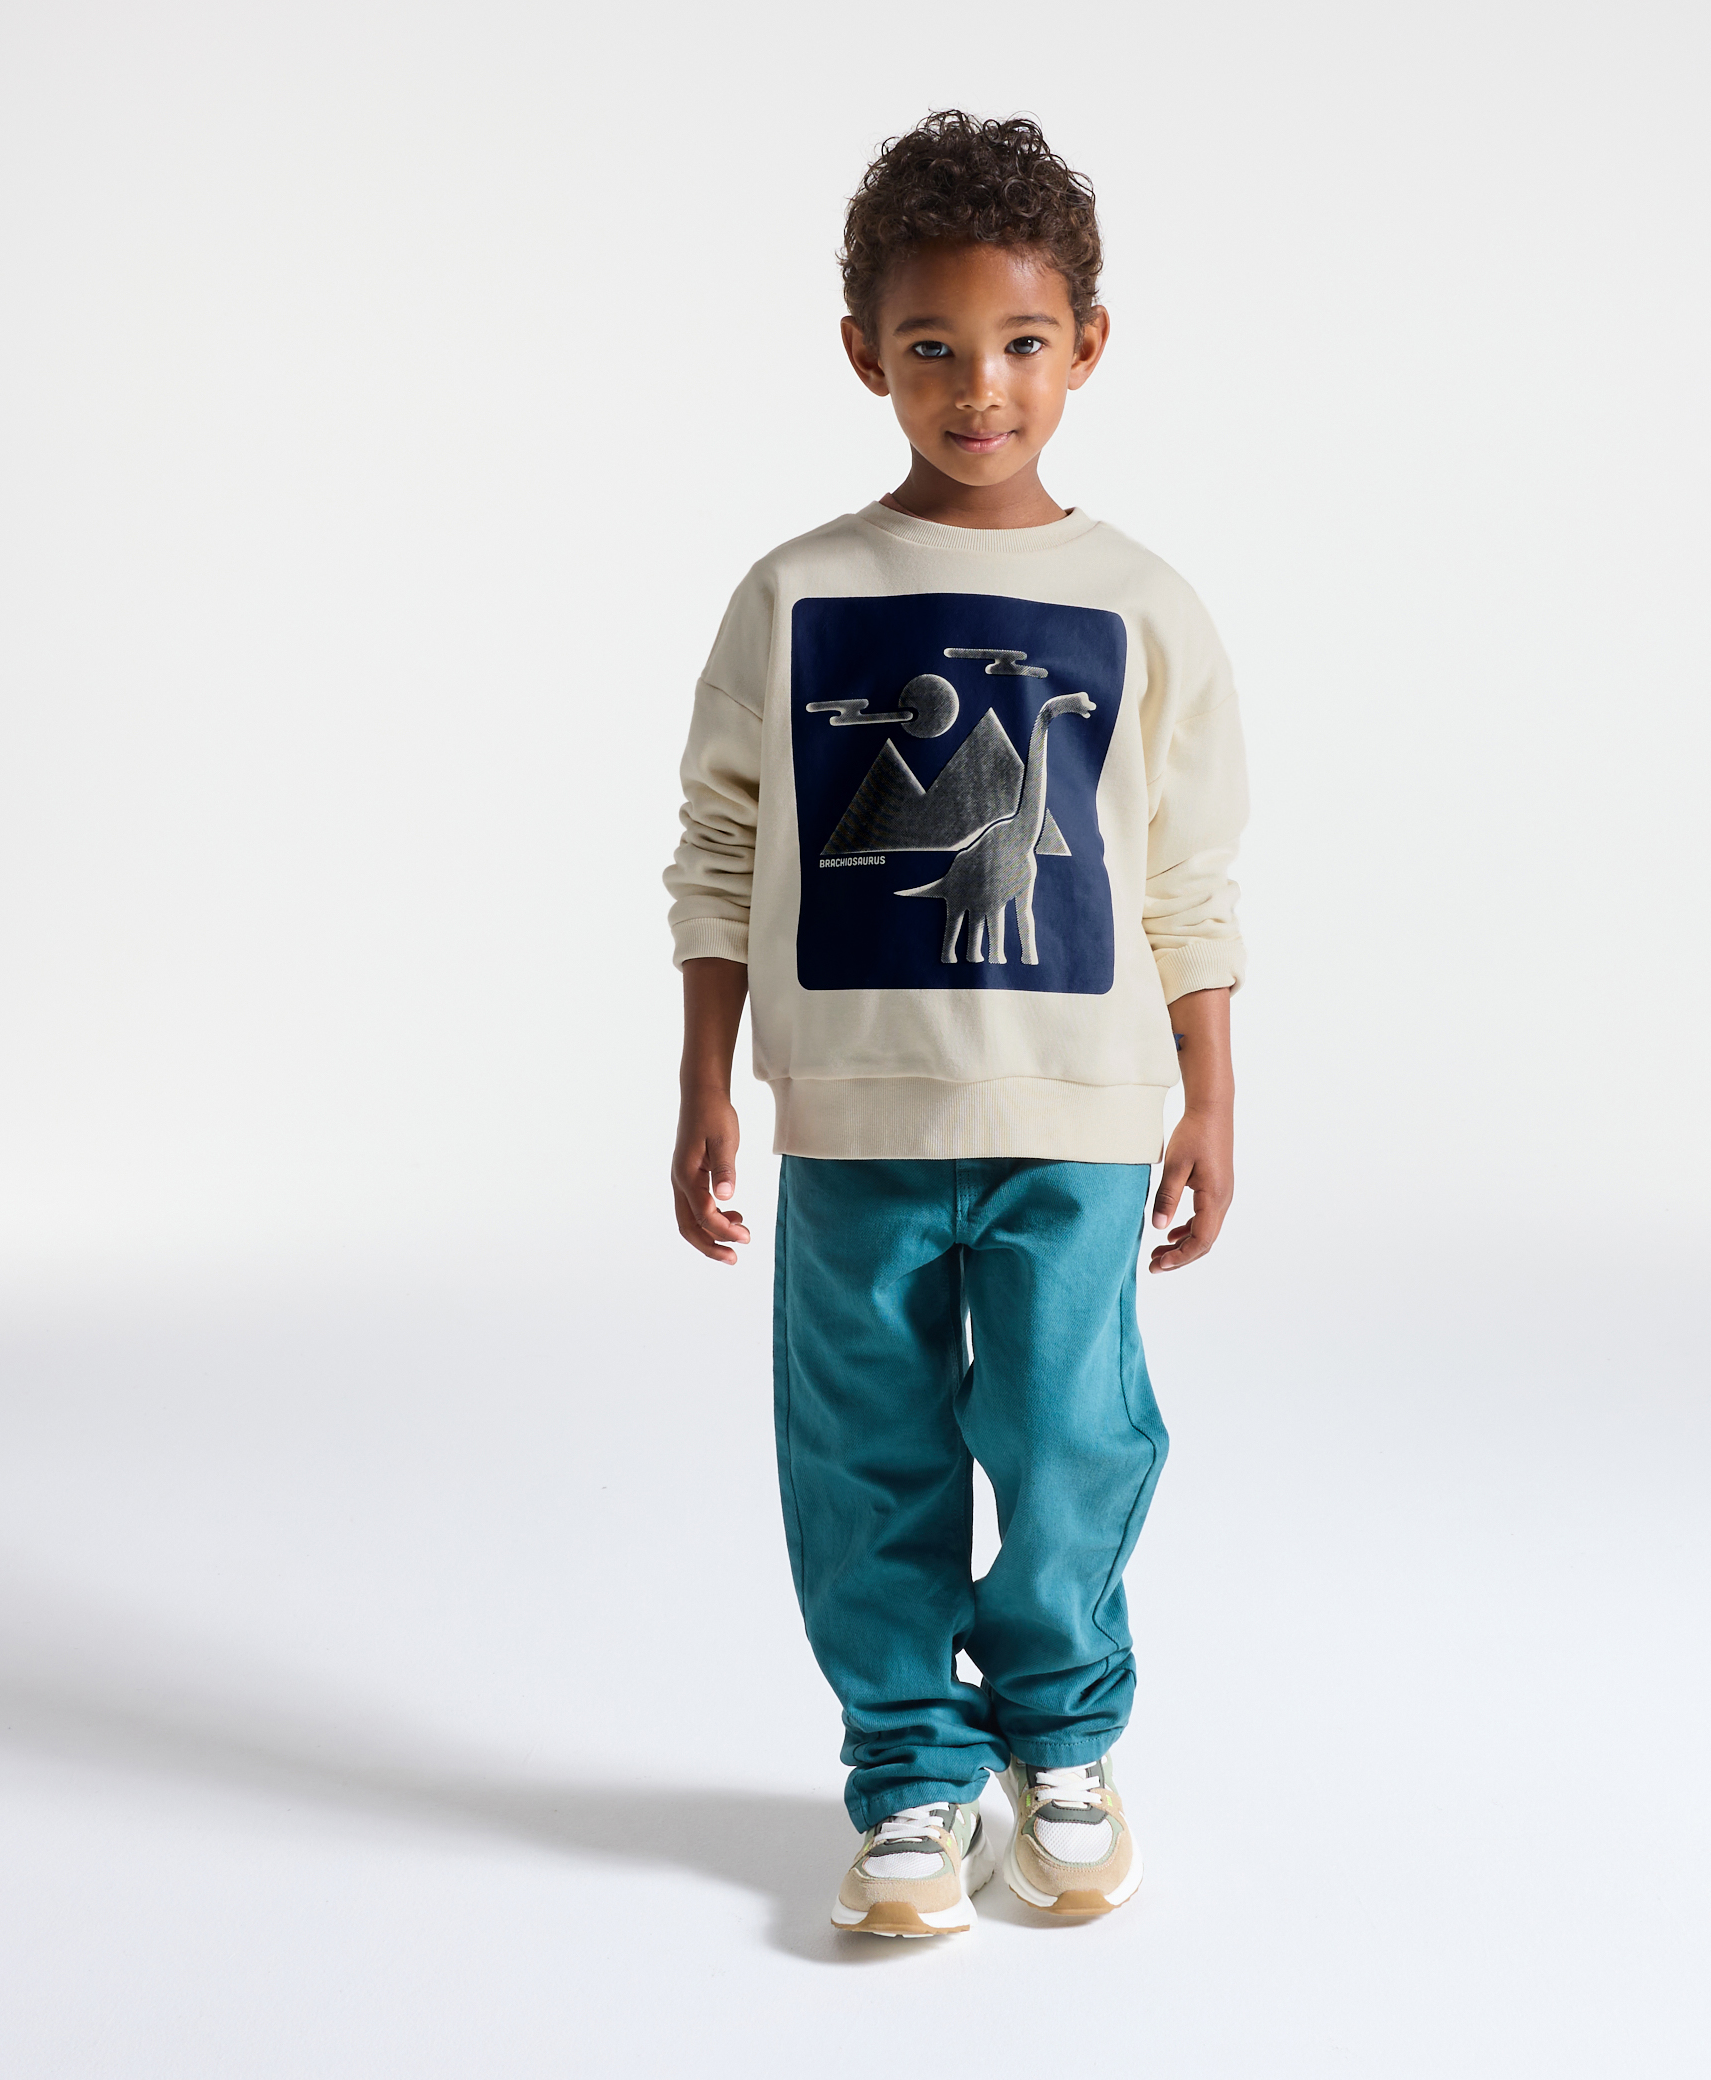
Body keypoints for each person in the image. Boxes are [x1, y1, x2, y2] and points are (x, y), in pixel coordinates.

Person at [663, 110, 1248, 1938]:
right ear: (866, 353)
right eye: (930, 344)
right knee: (864, 1458)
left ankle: (1060, 1742)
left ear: (1086, 345)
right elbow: (722, 844)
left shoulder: (1144, 605)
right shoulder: (797, 594)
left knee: (1072, 1440)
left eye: (1018, 342)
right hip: (852, 1122)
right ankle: (911, 1768)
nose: (977, 385)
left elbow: (1187, 874)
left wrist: (1210, 1093)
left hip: (1081, 1119)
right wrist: (703, 1079)